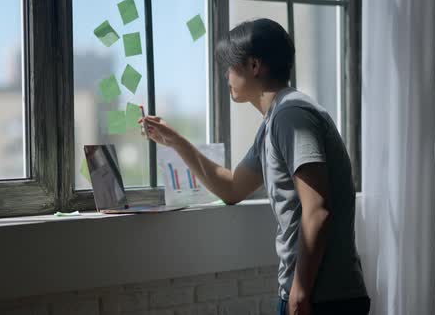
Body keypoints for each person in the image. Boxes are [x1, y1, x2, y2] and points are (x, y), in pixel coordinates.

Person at [139, 18, 370, 315]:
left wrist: (300, 294)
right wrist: (175, 141)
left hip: (322, 298)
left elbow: (317, 211)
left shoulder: (291, 115)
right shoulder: (274, 121)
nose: (226, 75)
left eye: (230, 66)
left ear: (254, 66)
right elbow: (232, 188)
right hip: (306, 292)